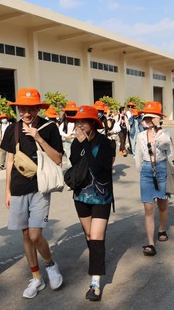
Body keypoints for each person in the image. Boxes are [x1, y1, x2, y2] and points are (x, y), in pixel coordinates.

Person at [0, 88, 64, 298]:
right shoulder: (12, 129)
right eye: (23, 108)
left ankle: (50, 264)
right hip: (18, 189)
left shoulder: (49, 128)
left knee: (36, 234)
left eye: (31, 108)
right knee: (26, 235)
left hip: (40, 187)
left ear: (38, 108)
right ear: (18, 108)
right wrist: (7, 190)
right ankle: (36, 278)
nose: (26, 113)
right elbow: (10, 162)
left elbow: (57, 160)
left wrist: (39, 138)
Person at [66, 105, 114, 301]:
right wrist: (80, 144)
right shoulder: (75, 144)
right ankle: (97, 256)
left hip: (102, 196)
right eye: (77, 122)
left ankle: (95, 283)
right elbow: (76, 165)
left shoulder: (106, 143)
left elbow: (100, 170)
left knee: (96, 235)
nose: (79, 125)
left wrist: (85, 144)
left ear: (93, 124)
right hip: (81, 196)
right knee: (89, 235)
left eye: (83, 121)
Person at [135, 101, 172, 256]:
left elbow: (165, 145)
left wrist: (157, 128)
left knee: (162, 205)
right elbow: (137, 157)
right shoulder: (140, 136)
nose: (149, 120)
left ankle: (161, 229)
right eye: (147, 117)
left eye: (152, 117)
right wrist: (143, 170)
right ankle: (150, 243)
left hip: (162, 168)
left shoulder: (164, 133)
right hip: (146, 171)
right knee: (148, 209)